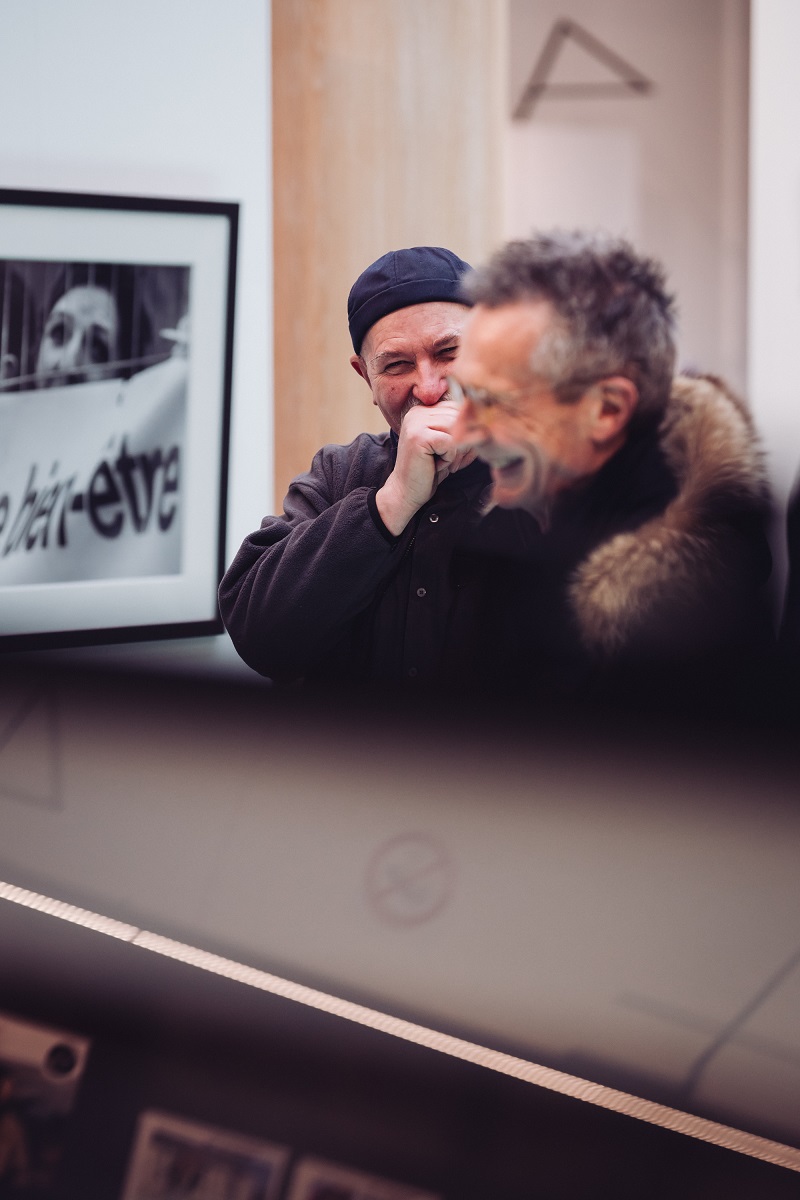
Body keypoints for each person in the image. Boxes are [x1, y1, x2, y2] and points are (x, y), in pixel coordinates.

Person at [445, 230, 774, 693]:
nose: (461, 430)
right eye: (464, 391)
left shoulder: (688, 631)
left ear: (608, 409)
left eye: (492, 400)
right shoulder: (525, 516)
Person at [220, 245, 501, 687]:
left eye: (449, 352)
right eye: (397, 364)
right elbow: (259, 636)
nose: (427, 389)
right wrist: (390, 504)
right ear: (365, 377)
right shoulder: (336, 473)